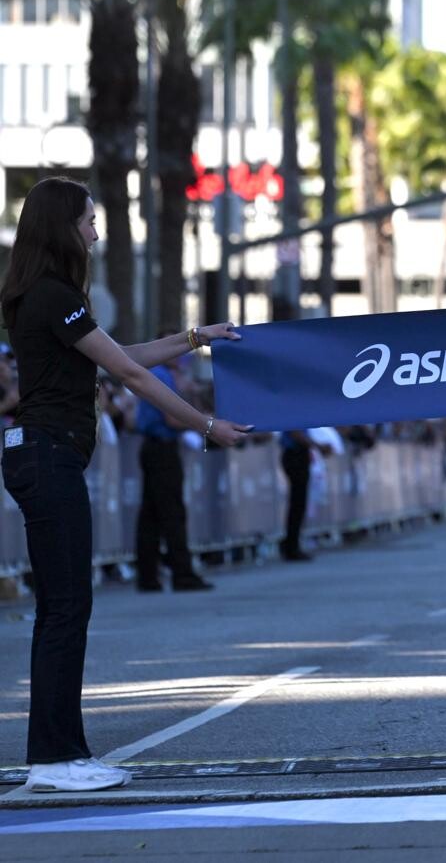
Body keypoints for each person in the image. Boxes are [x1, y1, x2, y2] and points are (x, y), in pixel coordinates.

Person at [0, 177, 250, 793]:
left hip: (43, 456)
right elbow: (130, 375)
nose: (95, 230)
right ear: (63, 226)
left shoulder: (48, 294)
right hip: (47, 455)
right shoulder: (53, 294)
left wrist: (196, 338)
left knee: (63, 607)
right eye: (89, 220)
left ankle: (61, 754)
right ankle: (55, 759)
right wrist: (205, 424)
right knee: (65, 608)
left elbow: (122, 355)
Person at [133, 355, 213, 591]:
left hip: (156, 447)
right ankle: (182, 573)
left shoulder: (163, 375)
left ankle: (148, 576)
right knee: (172, 513)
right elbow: (172, 419)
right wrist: (205, 423)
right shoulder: (162, 376)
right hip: (162, 449)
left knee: (150, 514)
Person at [279, 430, 332, 561]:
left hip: (299, 454)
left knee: (299, 504)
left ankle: (293, 544)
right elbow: (295, 433)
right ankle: (291, 547)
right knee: (297, 504)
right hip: (295, 454)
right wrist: (317, 446)